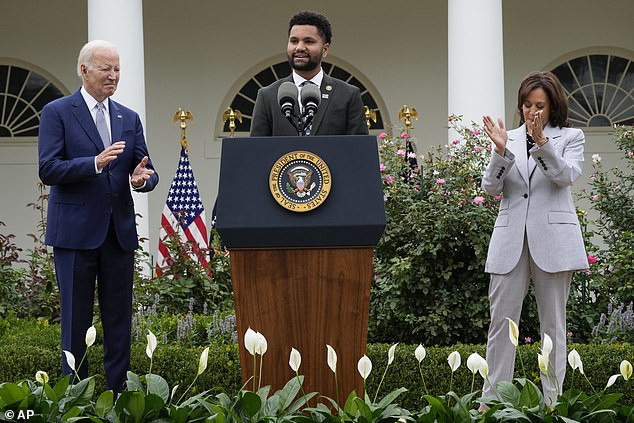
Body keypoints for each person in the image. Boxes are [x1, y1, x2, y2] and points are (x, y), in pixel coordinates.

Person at [38, 40, 159, 392]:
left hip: (117, 234)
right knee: (76, 323)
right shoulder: (57, 112)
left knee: (118, 322)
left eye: (118, 69)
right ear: (84, 70)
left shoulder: (128, 117)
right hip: (74, 235)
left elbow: (147, 170)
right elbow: (48, 169)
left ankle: (118, 395)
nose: (113, 75)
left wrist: (142, 179)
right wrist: (94, 163)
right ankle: (75, 397)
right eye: (106, 68)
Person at [480, 71, 588, 405]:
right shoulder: (507, 137)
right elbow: (490, 188)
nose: (531, 112)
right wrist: (500, 152)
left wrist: (542, 143)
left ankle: (551, 403)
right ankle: (492, 401)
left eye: (539, 105)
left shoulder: (571, 136)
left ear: (552, 105)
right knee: (501, 323)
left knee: (553, 327)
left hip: (554, 241)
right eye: (526, 104)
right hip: (509, 241)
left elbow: (565, 176)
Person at [250, 10, 368, 136]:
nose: (299, 47)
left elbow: (358, 150)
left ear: (325, 49)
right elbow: (256, 150)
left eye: (308, 41)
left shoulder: (348, 95)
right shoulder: (267, 96)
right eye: (294, 41)